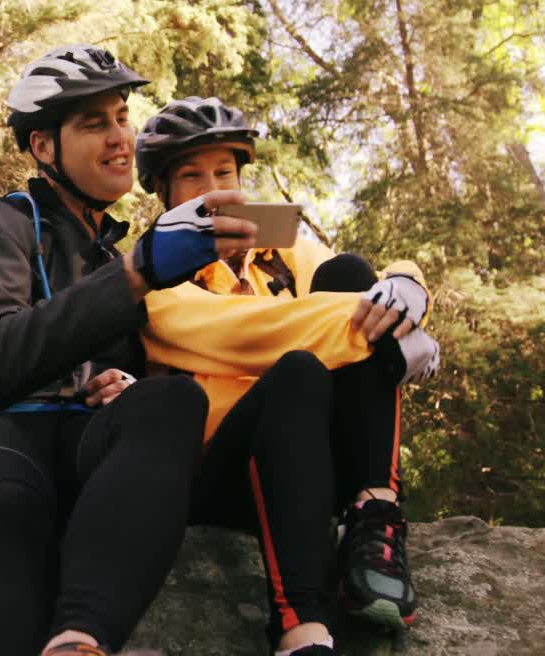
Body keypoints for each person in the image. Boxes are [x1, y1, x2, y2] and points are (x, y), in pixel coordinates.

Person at [0, 45, 271, 656]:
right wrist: (139, 272)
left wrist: (122, 381)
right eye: (95, 124)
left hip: (80, 447)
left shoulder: (119, 260)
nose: (121, 137)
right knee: (14, 516)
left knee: (169, 402)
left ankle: (80, 641)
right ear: (43, 146)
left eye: (121, 116)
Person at [133, 97, 442, 649]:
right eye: (191, 176)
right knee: (298, 368)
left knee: (346, 272)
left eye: (224, 172)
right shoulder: (154, 278)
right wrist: (391, 336)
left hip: (313, 457)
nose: (213, 188)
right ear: (163, 193)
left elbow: (362, 283)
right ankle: (301, 627)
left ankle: (375, 517)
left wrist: (408, 288)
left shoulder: (281, 250)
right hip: (222, 466)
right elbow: (248, 333)